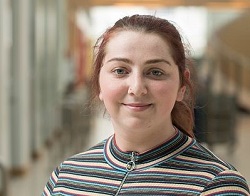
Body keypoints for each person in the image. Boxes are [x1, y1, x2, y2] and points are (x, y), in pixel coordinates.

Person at [42, 14, 249, 195]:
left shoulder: (217, 185)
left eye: (155, 72)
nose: (137, 88)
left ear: (181, 86)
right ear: (98, 84)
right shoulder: (66, 178)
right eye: (120, 70)